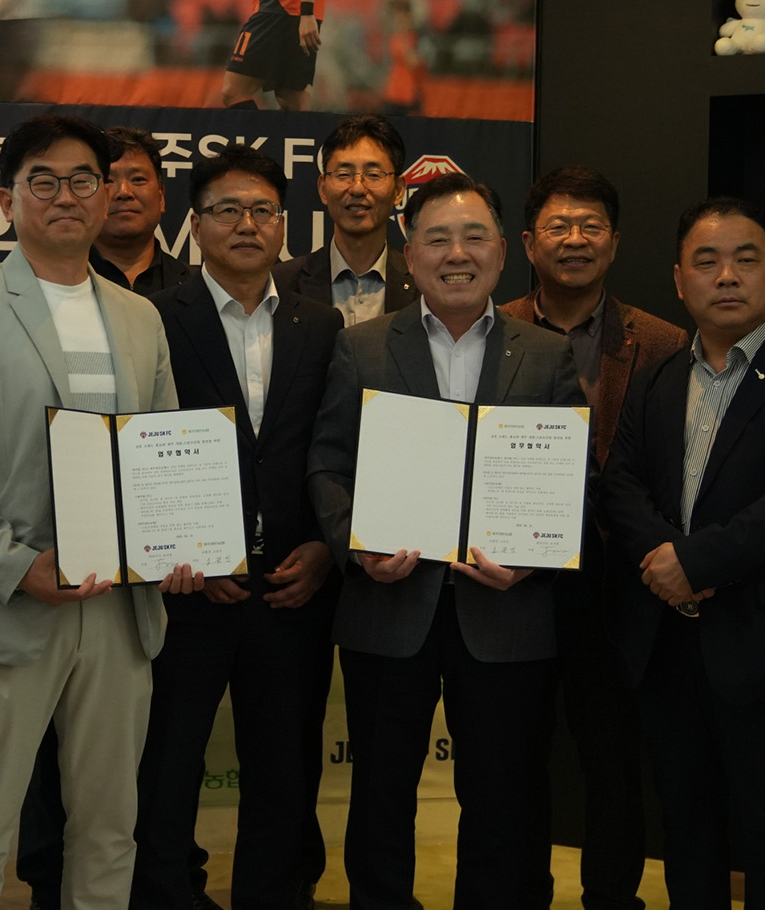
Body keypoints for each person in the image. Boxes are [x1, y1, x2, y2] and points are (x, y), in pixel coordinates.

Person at [0, 114, 190, 910]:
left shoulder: (141, 316)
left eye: (82, 180)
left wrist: (176, 542)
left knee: (110, 829)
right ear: (6, 199)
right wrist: (16, 566)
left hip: (119, 612)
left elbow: (164, 451)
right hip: (5, 607)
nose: (65, 196)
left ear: (106, 195)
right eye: (43, 180)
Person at [307, 172, 580, 908]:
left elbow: (573, 477)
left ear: (503, 250)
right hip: (389, 609)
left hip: (506, 615)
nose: (457, 254)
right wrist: (356, 546)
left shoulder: (547, 353)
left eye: (474, 237)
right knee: (380, 798)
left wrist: (532, 559)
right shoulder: (362, 347)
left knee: (502, 800)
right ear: (410, 252)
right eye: (437, 238)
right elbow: (327, 463)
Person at [602, 197, 765, 909]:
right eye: (706, 261)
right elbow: (619, 482)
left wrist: (696, 563)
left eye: (746, 259)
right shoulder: (656, 378)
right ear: (679, 280)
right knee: (687, 831)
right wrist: (664, 557)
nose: (727, 276)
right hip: (667, 650)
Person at [135, 144, 342, 910]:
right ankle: (164, 897)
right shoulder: (155, 318)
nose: (247, 224)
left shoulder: (322, 325)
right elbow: (141, 442)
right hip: (188, 591)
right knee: (168, 766)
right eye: (227, 210)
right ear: (196, 225)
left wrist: (324, 549)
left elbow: (331, 446)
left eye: (262, 210)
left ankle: (271, 895)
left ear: (283, 224)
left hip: (293, 587)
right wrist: (183, 551)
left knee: (283, 769)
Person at [502, 164, 688, 910]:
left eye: (591, 226)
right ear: (528, 242)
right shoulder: (492, 327)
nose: (574, 240)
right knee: (516, 761)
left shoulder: (664, 342)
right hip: (512, 585)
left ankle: (614, 898)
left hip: (617, 588)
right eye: (558, 226)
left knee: (613, 763)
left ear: (614, 242)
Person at [273, 115, 417, 326]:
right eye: (343, 174)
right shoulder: (280, 284)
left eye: (373, 174)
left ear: (398, 190)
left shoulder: (423, 283)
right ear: (323, 188)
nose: (357, 188)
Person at [89, 126, 192, 295]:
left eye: (138, 179)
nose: (124, 192)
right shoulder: (60, 284)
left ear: (161, 197)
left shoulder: (194, 288)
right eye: (108, 180)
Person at [222, 0, 322, 110]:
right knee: (292, 102)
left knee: (233, 92)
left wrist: (307, 12)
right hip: (288, 12)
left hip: (281, 9)